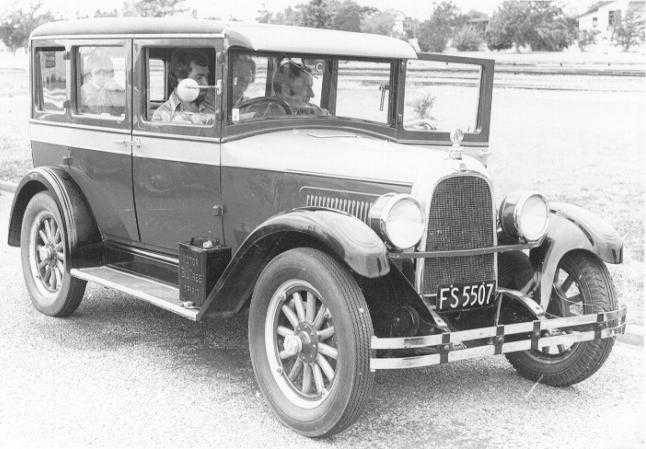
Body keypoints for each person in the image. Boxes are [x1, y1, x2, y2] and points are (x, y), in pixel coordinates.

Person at [152, 49, 215, 125]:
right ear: (180, 79)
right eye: (199, 78)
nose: (206, 84)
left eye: (206, 77)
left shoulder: (214, 104)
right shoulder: (162, 116)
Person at [79, 51, 125, 116]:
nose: (102, 76)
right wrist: (106, 89)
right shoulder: (84, 90)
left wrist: (118, 90)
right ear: (90, 75)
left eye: (106, 72)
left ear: (111, 74)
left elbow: (124, 108)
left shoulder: (115, 88)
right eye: (97, 72)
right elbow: (98, 111)